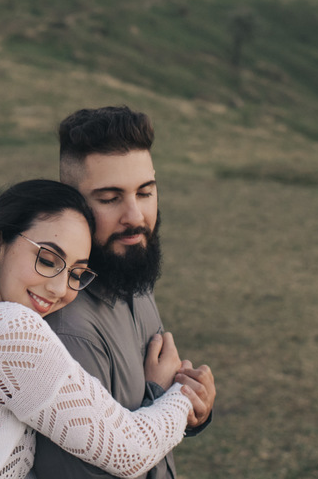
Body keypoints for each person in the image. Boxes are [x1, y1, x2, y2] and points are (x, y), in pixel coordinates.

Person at [0, 179, 205, 479]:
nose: (60, 289)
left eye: (76, 274)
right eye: (47, 260)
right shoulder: (8, 327)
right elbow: (128, 452)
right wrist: (178, 395)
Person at [34, 107, 216, 479]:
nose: (135, 216)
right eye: (110, 198)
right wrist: (162, 400)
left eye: (145, 192)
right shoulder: (69, 335)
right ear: (72, 205)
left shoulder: (130, 273)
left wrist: (191, 403)